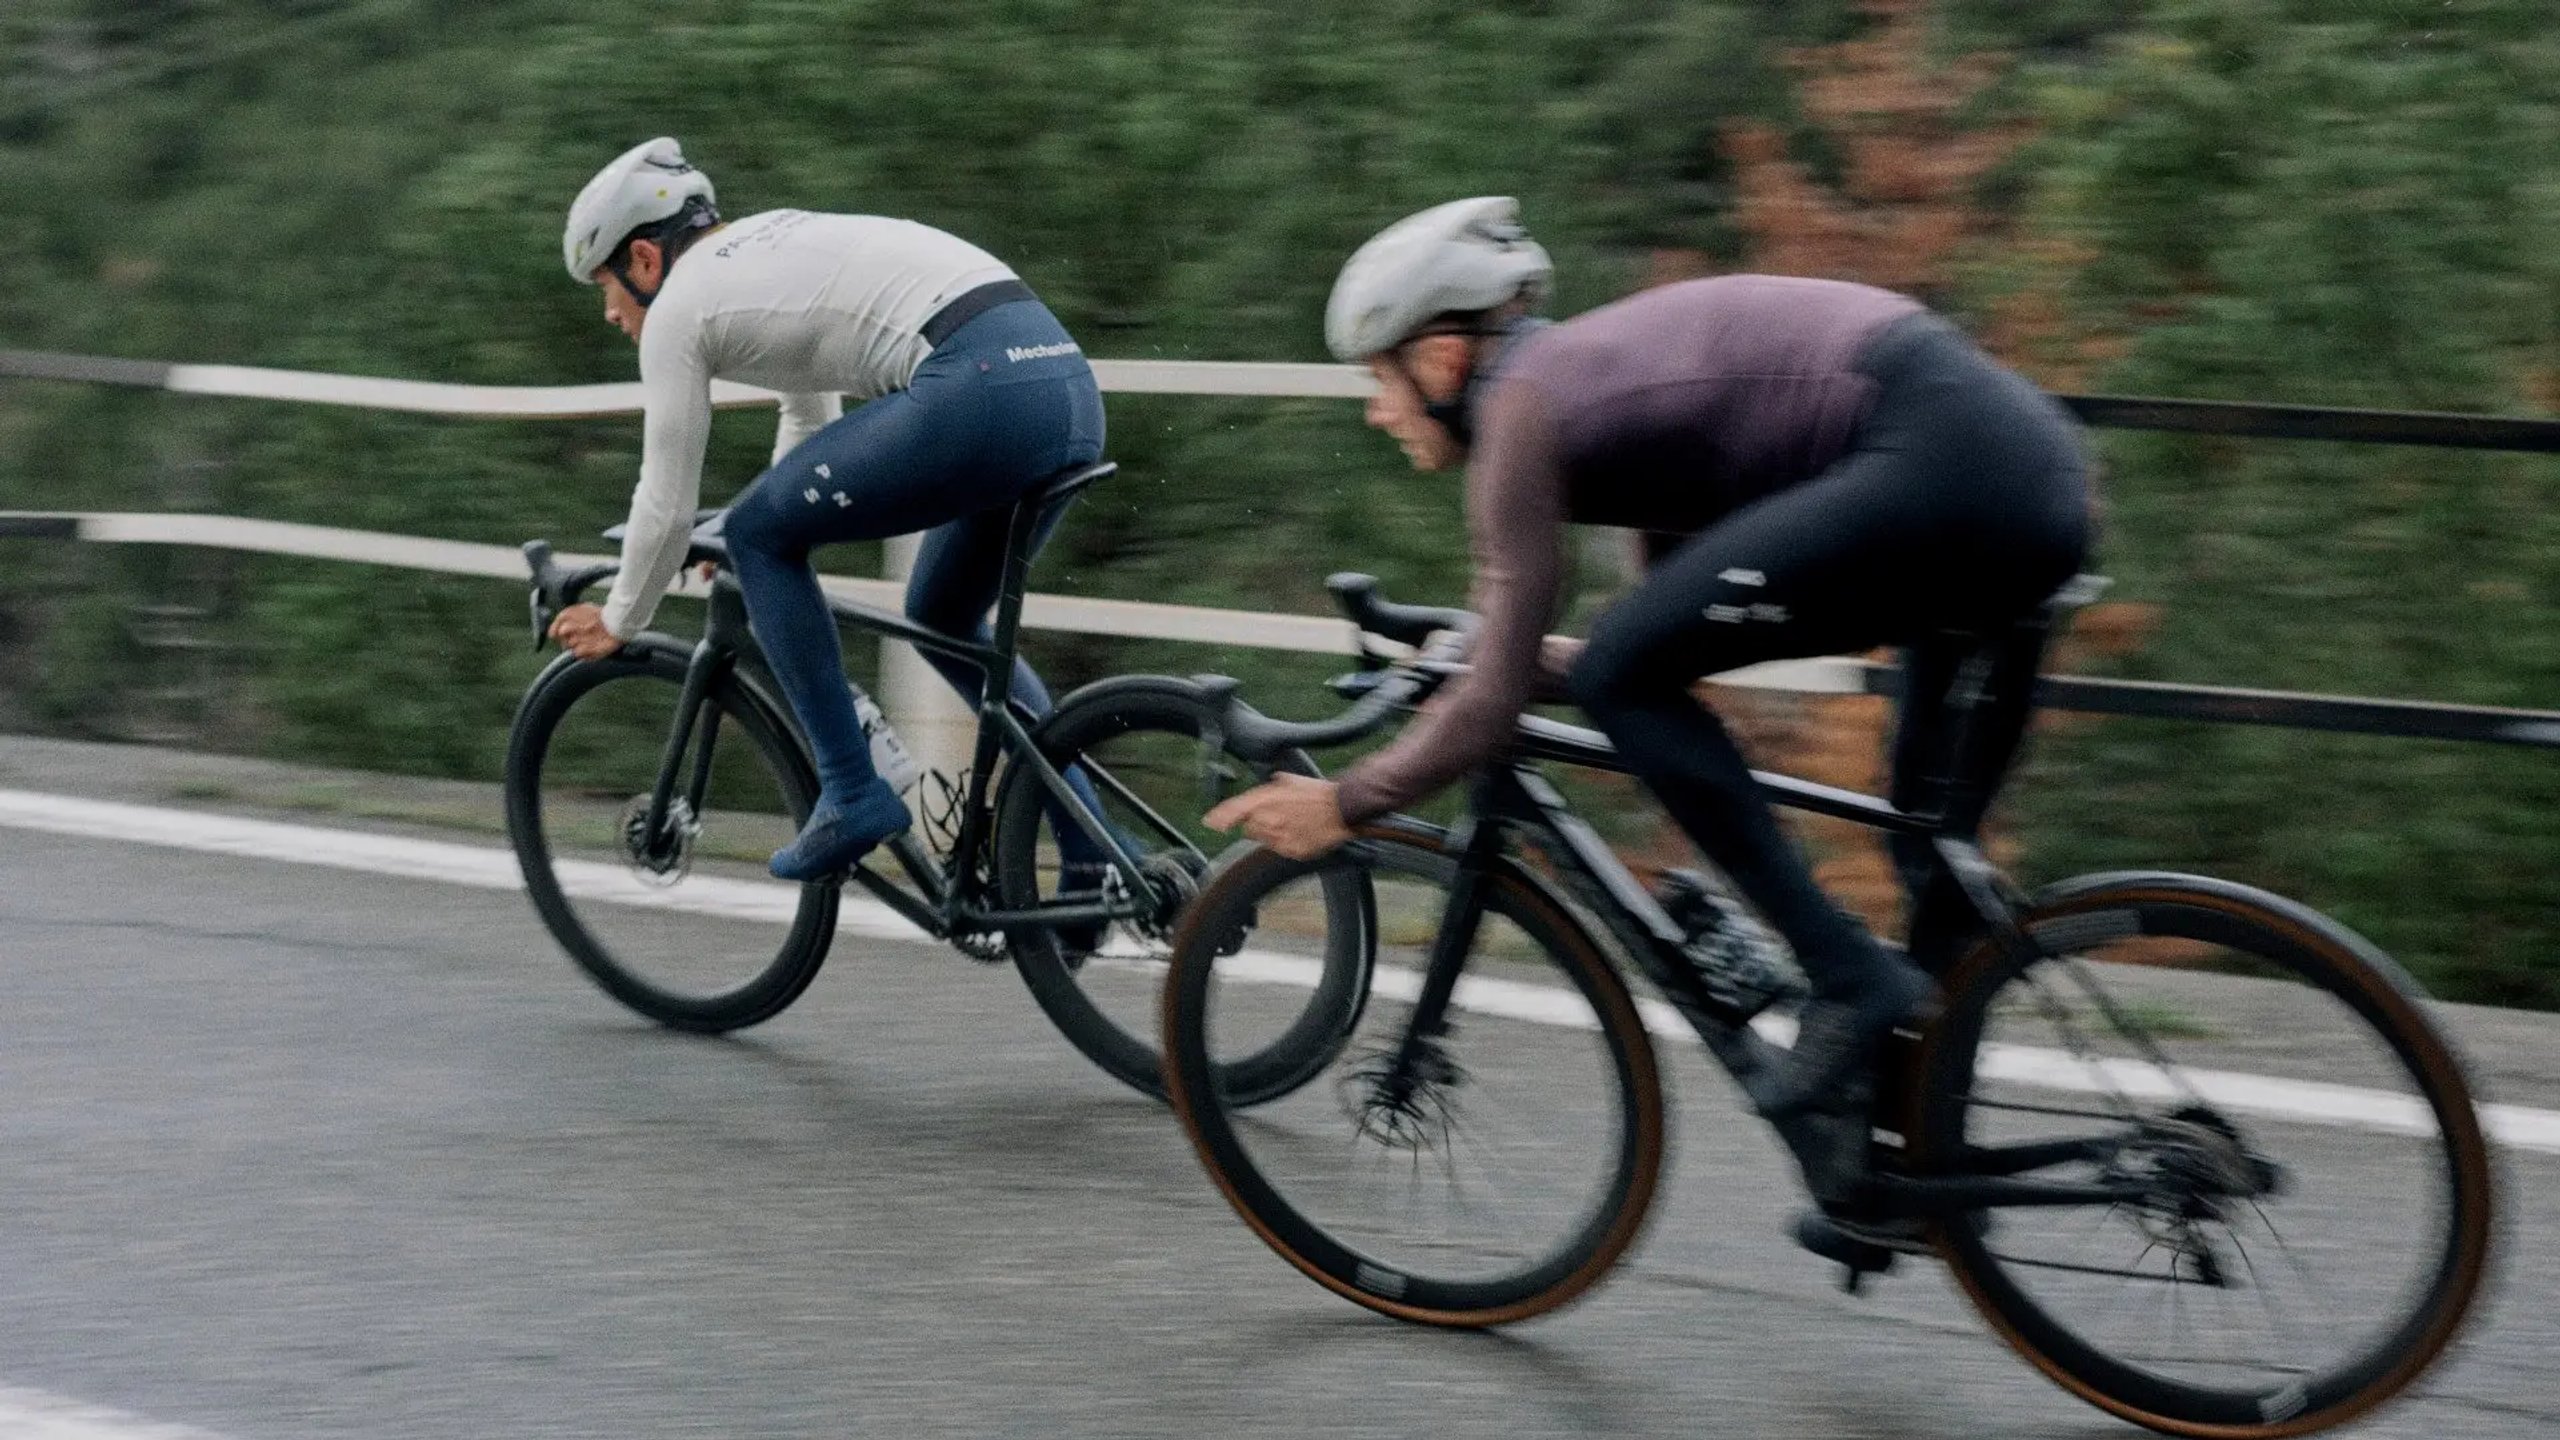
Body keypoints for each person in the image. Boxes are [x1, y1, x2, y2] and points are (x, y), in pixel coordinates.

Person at [1206, 197, 2092, 1117]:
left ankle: (1843, 973)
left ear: (1439, 358)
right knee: (1932, 858)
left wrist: (1345, 803)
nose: (1376, 412)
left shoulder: (1521, 412)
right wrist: (1502, 669)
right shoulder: (1604, 383)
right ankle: (1929, 1163)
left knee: (1619, 677)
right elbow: (1663, 640)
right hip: (2028, 473)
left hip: (1937, 462)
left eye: (1377, 380)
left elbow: (1538, 689)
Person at [547, 138, 1110, 886]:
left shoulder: (681, 308)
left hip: (979, 389)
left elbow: (665, 497)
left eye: (605, 287)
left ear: (644, 261)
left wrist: (621, 617)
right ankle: (1094, 860)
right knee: (941, 615)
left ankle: (851, 790)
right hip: (1065, 389)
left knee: (758, 533)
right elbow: (809, 419)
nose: (610, 312)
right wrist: (757, 530)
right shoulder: (765, 250)